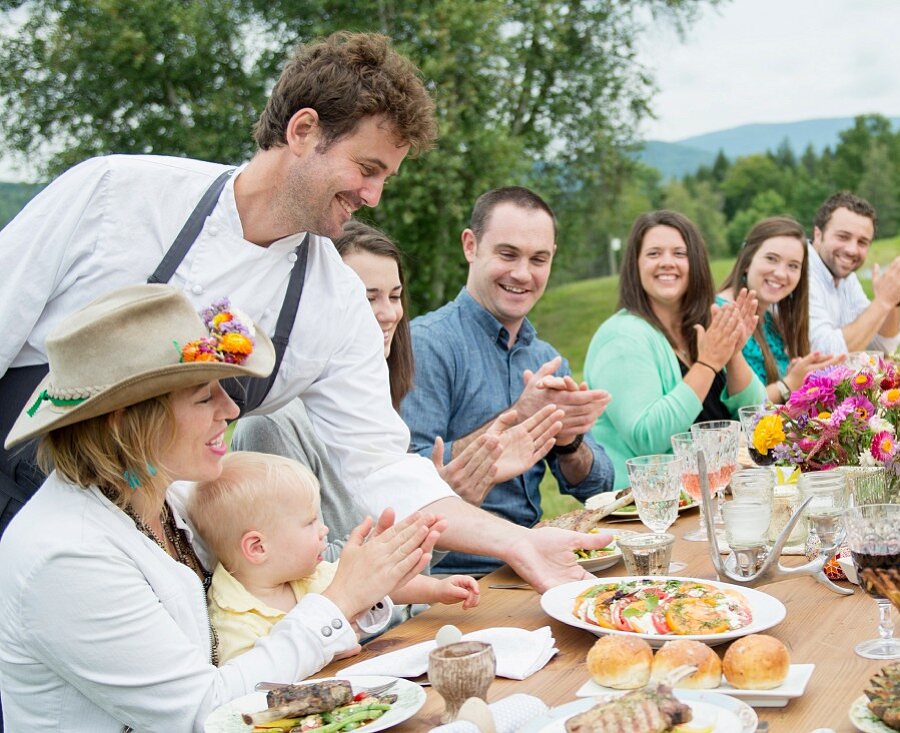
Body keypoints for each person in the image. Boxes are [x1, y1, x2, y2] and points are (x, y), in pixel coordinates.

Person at [0, 32, 608, 591]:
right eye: (366, 169)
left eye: (386, 179)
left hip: (156, 554)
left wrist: (521, 544)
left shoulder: (332, 300)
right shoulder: (114, 195)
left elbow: (380, 464)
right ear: (303, 130)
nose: (373, 196)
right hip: (18, 502)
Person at [0, 284, 443, 730]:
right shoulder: (67, 555)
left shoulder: (166, 495)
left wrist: (367, 584)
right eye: (204, 396)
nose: (230, 409)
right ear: (129, 423)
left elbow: (267, 588)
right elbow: (201, 712)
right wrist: (340, 599)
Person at [232, 220, 555, 560]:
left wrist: (446, 505)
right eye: (366, 298)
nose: (388, 314)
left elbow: (414, 577)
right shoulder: (274, 423)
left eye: (395, 296)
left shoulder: (380, 402)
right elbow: (292, 568)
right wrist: (423, 515)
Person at [402, 187, 616, 575]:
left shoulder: (546, 359)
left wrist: (570, 442)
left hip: (533, 560)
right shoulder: (426, 342)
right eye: (507, 254)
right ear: (471, 245)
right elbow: (408, 476)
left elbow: (597, 488)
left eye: (539, 259)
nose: (522, 274)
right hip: (456, 575)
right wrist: (519, 415)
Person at [189, 451, 479, 663]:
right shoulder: (235, 618)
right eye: (310, 522)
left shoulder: (306, 577)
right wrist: (325, 652)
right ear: (258, 548)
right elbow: (253, 682)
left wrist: (437, 590)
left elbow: (378, 585)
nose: (324, 530)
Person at [585, 210, 767, 488]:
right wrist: (706, 365)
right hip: (649, 507)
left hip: (715, 496)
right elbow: (648, 438)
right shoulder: (622, 337)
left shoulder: (702, 325)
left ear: (695, 264)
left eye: (679, 254)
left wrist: (731, 354)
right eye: (654, 254)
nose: (667, 262)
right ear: (635, 265)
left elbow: (756, 416)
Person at [716, 216, 841, 403]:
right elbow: (735, 410)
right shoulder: (720, 314)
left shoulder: (771, 320)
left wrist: (796, 374)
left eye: (793, 266)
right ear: (747, 260)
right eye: (771, 259)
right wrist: (789, 384)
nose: (781, 273)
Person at [807, 192, 900, 355]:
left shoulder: (846, 277)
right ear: (818, 235)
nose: (852, 250)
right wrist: (883, 300)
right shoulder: (798, 271)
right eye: (843, 237)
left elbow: (881, 346)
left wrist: (896, 296)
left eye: (862, 242)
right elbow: (826, 353)